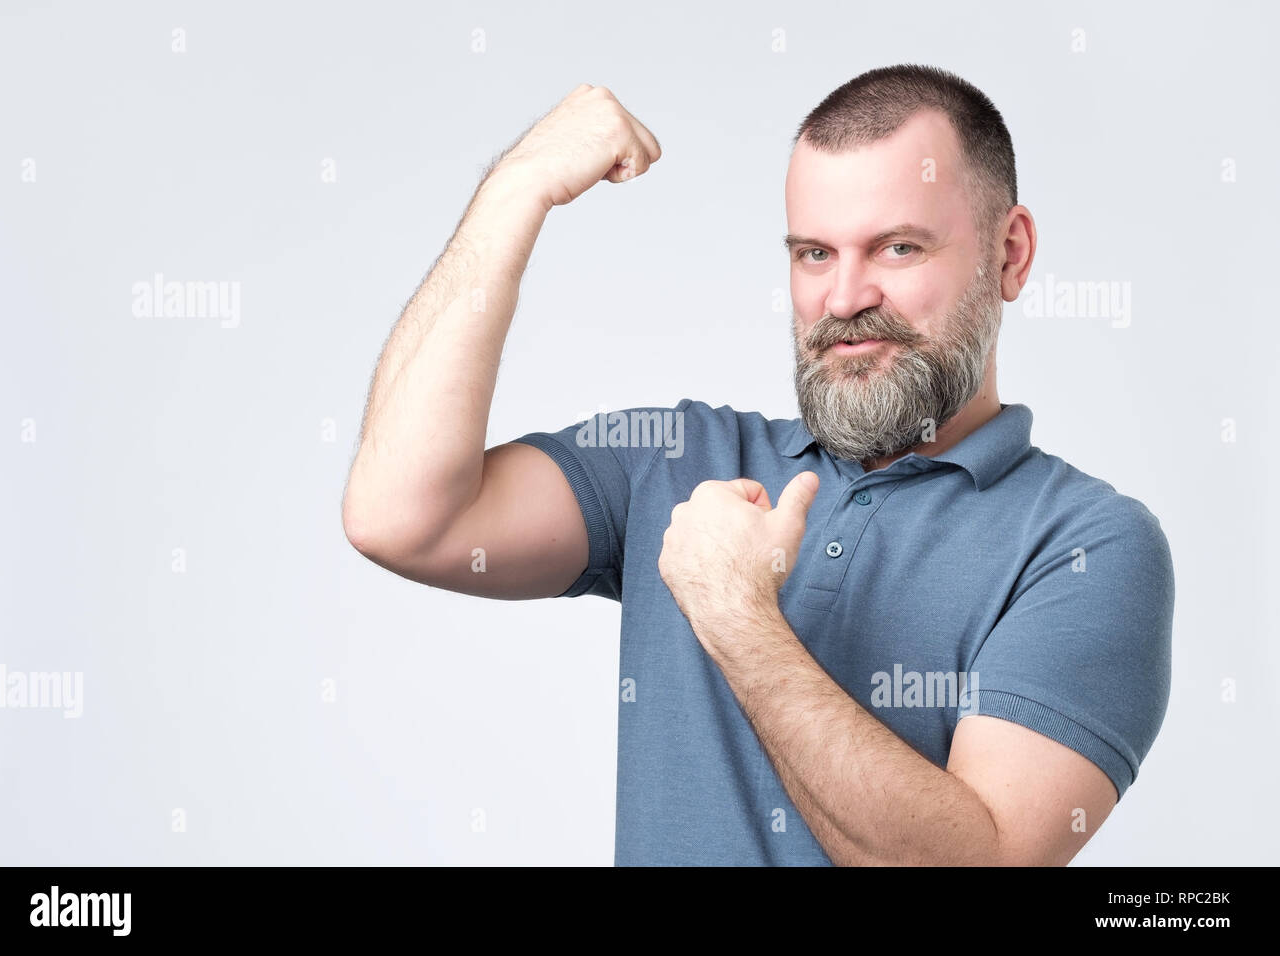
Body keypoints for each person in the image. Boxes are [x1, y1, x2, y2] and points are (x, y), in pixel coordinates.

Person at [341, 65, 1174, 866]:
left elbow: (980, 860)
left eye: (897, 248)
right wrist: (514, 192)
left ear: (1011, 254)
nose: (843, 299)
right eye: (814, 254)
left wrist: (735, 616)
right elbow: (400, 517)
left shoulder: (1087, 545)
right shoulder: (676, 460)